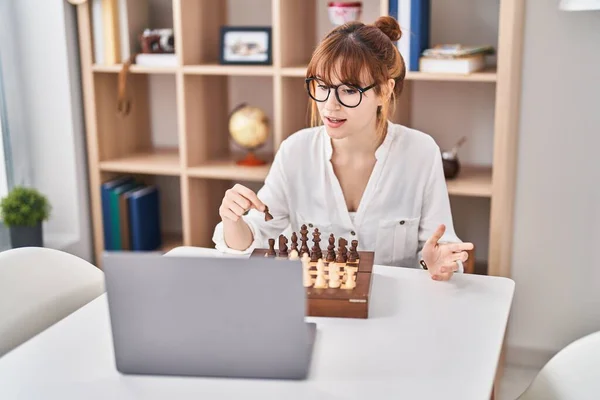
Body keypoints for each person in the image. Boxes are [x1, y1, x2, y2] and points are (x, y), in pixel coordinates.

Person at [212, 16, 473, 281]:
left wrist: (436, 262)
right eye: (323, 87)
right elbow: (251, 239)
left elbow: (442, 248)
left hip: (397, 311)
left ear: (384, 91)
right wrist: (233, 220)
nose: (329, 106)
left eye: (349, 90)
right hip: (319, 310)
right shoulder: (295, 152)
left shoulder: (421, 152)